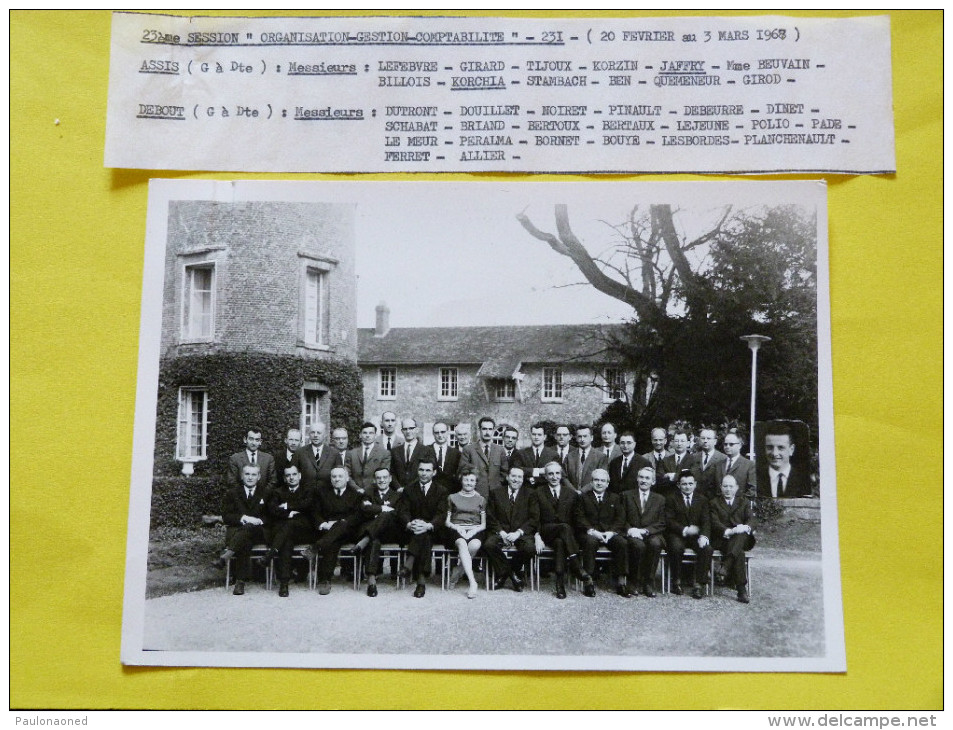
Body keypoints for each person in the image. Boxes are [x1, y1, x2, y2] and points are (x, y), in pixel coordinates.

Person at [530, 461, 592, 599]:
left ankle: (560, 584)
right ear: (545, 476)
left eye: (557, 473)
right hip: (546, 531)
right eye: (550, 474)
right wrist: (537, 535)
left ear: (561, 475)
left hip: (565, 535)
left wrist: (588, 530)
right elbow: (535, 517)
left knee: (560, 542)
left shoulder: (571, 494)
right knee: (564, 527)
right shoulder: (537, 493)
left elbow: (577, 518)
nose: (554, 477)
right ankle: (576, 566)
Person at [215, 464, 271, 596]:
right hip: (238, 531)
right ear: (242, 476)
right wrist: (243, 517)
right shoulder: (232, 493)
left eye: (253, 475)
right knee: (245, 539)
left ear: (259, 477)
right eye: (247, 474)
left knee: (248, 530)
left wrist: (259, 520)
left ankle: (227, 557)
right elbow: (226, 516)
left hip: (260, 532)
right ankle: (240, 581)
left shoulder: (266, 493)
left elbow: (272, 514)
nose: (250, 477)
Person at [396, 458, 448, 598]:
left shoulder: (441, 490)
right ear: (417, 471)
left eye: (427, 470)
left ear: (434, 472)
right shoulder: (409, 489)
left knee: (425, 534)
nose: (424, 473)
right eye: (421, 470)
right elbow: (403, 511)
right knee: (422, 536)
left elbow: (442, 514)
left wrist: (429, 525)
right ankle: (421, 581)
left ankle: (409, 565)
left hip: (433, 530)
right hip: (413, 530)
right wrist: (409, 523)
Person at [575, 469, 630, 597]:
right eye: (596, 480)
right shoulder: (582, 497)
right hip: (589, 532)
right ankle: (588, 582)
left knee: (622, 543)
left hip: (609, 533)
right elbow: (579, 518)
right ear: (591, 482)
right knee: (590, 542)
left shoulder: (615, 498)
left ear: (607, 483)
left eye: (602, 481)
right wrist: (592, 531)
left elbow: (620, 518)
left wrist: (611, 532)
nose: (599, 483)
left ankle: (621, 582)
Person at [352, 466, 404, 597]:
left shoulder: (397, 495)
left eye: (385, 477)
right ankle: (371, 581)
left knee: (387, 516)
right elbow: (363, 509)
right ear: (374, 480)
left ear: (390, 479)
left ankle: (364, 540)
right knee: (374, 539)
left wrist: (374, 510)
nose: (382, 480)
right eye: (379, 478)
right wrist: (383, 508)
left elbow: (398, 514)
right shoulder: (368, 493)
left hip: (391, 533)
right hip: (375, 532)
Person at [484, 465, 537, 592]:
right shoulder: (496, 493)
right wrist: (501, 532)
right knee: (489, 545)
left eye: (519, 477)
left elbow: (534, 518)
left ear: (523, 479)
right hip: (500, 531)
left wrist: (518, 533)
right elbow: (490, 516)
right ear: (507, 477)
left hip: (521, 533)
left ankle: (505, 574)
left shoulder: (530, 494)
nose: (516, 479)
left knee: (530, 548)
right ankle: (513, 575)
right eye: (513, 476)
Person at [310, 466, 362, 595]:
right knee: (333, 541)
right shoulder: (321, 492)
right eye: (334, 476)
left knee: (342, 526)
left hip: (348, 531)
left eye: (340, 476)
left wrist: (339, 524)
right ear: (330, 479)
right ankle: (325, 580)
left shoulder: (355, 494)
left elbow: (357, 516)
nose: (337, 479)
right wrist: (323, 523)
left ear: (347, 478)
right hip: (327, 530)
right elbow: (315, 512)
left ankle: (316, 547)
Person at [266, 464, 315, 597]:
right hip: (285, 532)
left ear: (299, 476)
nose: (291, 478)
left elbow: (308, 505)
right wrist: (290, 514)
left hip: (303, 532)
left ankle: (271, 553)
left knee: (288, 527)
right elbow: (272, 510)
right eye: (288, 475)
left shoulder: (308, 490)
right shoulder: (278, 492)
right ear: (284, 478)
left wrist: (287, 506)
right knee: (286, 540)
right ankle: (284, 583)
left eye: (294, 474)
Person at [665, 470, 713, 599]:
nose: (687, 486)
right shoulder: (671, 498)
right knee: (676, 547)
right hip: (677, 534)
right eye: (684, 484)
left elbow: (706, 521)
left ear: (695, 484)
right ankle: (676, 581)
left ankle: (699, 585)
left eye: (690, 483)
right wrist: (685, 529)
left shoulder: (702, 500)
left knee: (707, 548)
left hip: (696, 536)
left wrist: (704, 536)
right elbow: (669, 520)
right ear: (678, 485)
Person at [710, 475, 756, 603]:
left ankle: (726, 565)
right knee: (739, 553)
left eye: (731, 486)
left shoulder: (744, 501)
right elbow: (714, 523)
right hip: (722, 539)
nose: (728, 489)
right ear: (721, 487)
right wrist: (729, 531)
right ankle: (741, 590)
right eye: (725, 486)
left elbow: (752, 519)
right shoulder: (714, 503)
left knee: (741, 534)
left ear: (736, 488)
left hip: (741, 539)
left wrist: (745, 527)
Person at [622, 466, 666, 597]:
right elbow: (621, 518)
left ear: (653, 482)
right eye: (641, 477)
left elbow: (662, 522)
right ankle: (634, 581)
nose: (644, 480)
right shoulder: (626, 495)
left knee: (655, 544)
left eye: (647, 478)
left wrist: (646, 531)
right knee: (638, 546)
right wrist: (630, 529)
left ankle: (648, 582)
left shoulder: (660, 499)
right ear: (637, 479)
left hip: (651, 533)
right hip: (633, 533)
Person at [444, 469, 486, 599]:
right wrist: (458, 528)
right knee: (462, 543)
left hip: (475, 529)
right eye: (466, 479)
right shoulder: (452, 497)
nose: (469, 483)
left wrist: (473, 530)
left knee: (474, 545)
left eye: (472, 480)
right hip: (456, 529)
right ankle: (473, 582)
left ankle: (457, 571)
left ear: (476, 483)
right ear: (461, 481)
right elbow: (447, 521)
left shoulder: (481, 499)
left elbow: (483, 524)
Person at [458, 416, 506, 498]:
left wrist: (497, 484)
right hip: (475, 494)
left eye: (490, 429)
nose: (487, 432)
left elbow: (504, 472)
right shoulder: (468, 450)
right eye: (484, 429)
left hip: (496, 495)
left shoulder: (500, 450)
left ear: (493, 430)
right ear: (479, 430)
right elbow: (462, 472)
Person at [759, 422, 811, 498]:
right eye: (770, 447)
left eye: (781, 448)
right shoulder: (757, 478)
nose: (774, 453)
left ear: (791, 449)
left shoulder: (804, 480)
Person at [346, 422, 392, 493]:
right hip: (354, 493)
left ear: (375, 435)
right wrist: (357, 488)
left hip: (374, 493)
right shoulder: (351, 453)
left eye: (371, 433)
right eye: (364, 433)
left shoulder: (384, 453)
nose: (367, 435)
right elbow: (346, 475)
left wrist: (366, 490)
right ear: (360, 435)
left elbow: (383, 475)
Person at [565, 424, 609, 493]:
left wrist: (582, 491)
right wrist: (574, 491)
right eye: (579, 437)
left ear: (591, 438)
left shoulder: (601, 457)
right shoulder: (569, 456)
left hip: (591, 495)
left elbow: (601, 478)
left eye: (585, 436)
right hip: (572, 495)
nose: (582, 439)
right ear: (576, 438)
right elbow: (564, 477)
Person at [512, 423, 558, 488]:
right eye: (534, 434)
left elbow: (555, 474)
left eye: (539, 435)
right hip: (525, 490)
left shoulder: (553, 454)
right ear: (530, 435)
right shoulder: (521, 453)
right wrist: (538, 471)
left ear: (544, 437)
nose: (536, 437)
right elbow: (517, 470)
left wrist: (535, 479)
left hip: (545, 491)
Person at [294, 422, 336, 492]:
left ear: (324, 435)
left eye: (319, 433)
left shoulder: (334, 453)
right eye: (313, 432)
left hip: (327, 496)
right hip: (305, 496)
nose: (315, 435)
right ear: (309, 434)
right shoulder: (300, 452)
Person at [720, 428, 757, 500]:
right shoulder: (718, 464)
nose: (727, 447)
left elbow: (752, 491)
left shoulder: (749, 465)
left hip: (740, 508)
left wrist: (737, 504)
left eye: (731, 444)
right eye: (725, 444)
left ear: (740, 445)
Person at [692, 428, 728, 499]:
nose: (705, 441)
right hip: (696, 501)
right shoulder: (693, 457)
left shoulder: (723, 458)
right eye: (703, 438)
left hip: (714, 500)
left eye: (708, 438)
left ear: (715, 441)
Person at [426, 421, 461, 493]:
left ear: (447, 432)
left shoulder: (456, 453)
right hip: (430, 492)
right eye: (437, 432)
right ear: (433, 434)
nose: (440, 435)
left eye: (443, 432)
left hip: (451, 492)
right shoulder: (425, 450)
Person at [390, 418, 424, 490]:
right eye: (405, 429)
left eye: (411, 428)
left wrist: (408, 489)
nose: (408, 431)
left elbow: (425, 472)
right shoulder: (394, 451)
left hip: (417, 491)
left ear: (416, 430)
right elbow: (391, 472)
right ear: (402, 431)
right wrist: (398, 487)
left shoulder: (426, 450)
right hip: (398, 492)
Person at [661, 429, 694, 496]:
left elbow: (693, 478)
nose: (679, 443)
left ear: (688, 443)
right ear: (673, 443)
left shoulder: (694, 460)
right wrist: (682, 475)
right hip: (668, 497)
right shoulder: (665, 460)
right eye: (676, 441)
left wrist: (673, 476)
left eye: (682, 441)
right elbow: (659, 480)